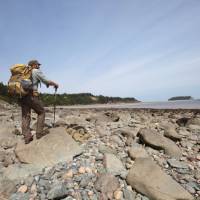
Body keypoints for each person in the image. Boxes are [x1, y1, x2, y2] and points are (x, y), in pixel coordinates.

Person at [20, 60, 59, 144]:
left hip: (22, 97)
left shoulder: (23, 73)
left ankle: (27, 137)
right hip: (32, 96)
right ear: (33, 65)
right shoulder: (35, 71)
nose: (39, 66)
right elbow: (46, 81)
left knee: (25, 116)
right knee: (41, 112)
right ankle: (39, 133)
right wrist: (55, 84)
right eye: (38, 65)